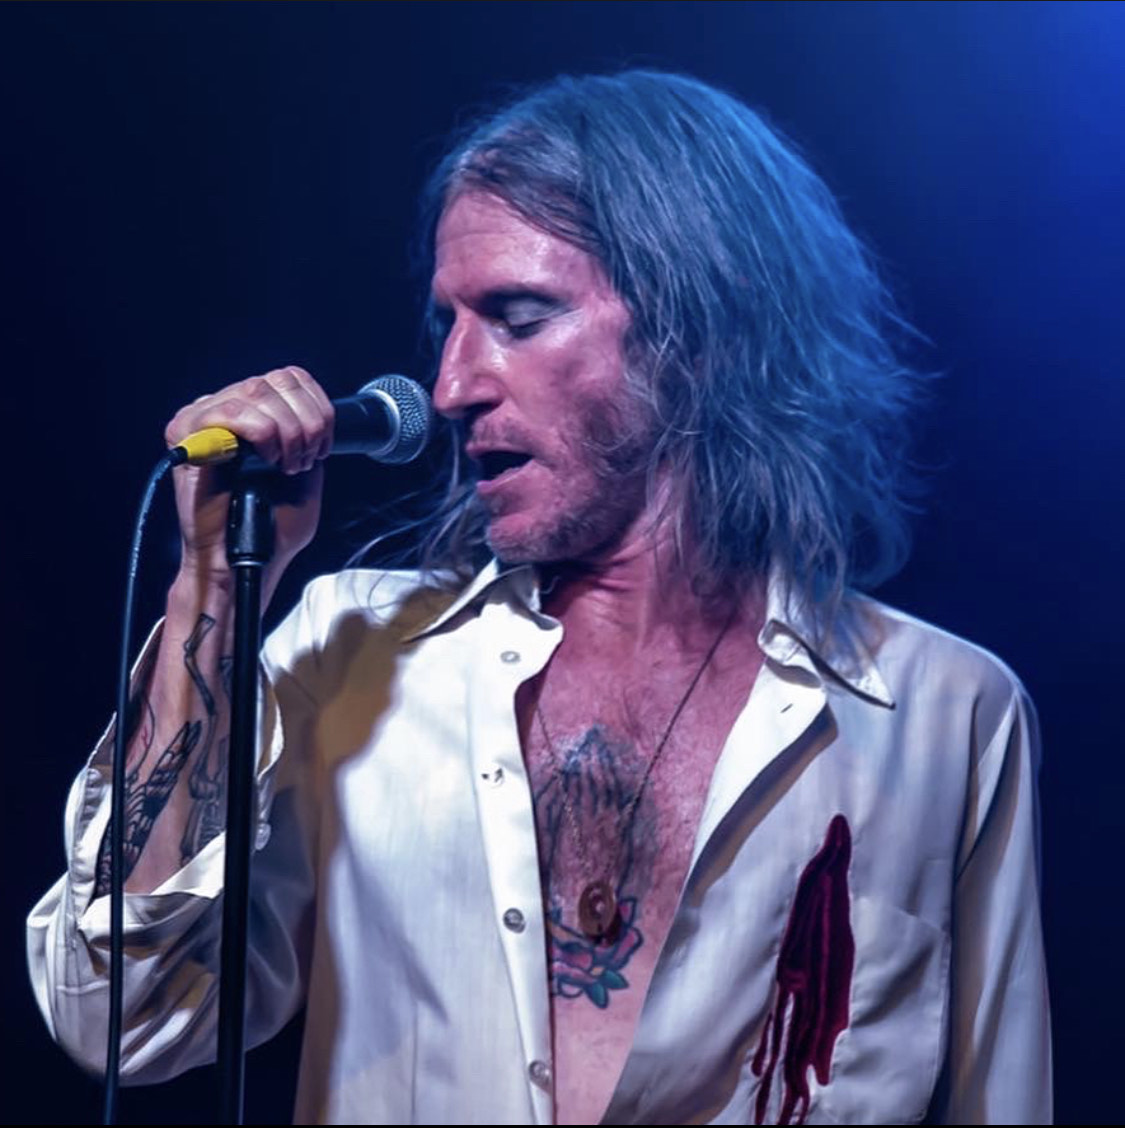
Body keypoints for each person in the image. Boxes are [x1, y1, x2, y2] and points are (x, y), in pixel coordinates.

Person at [28, 71, 1051, 1125]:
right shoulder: (353, 653)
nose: (451, 387)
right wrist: (209, 586)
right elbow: (118, 1013)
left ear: (700, 331)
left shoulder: (945, 716)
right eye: (449, 324)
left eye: (517, 318)